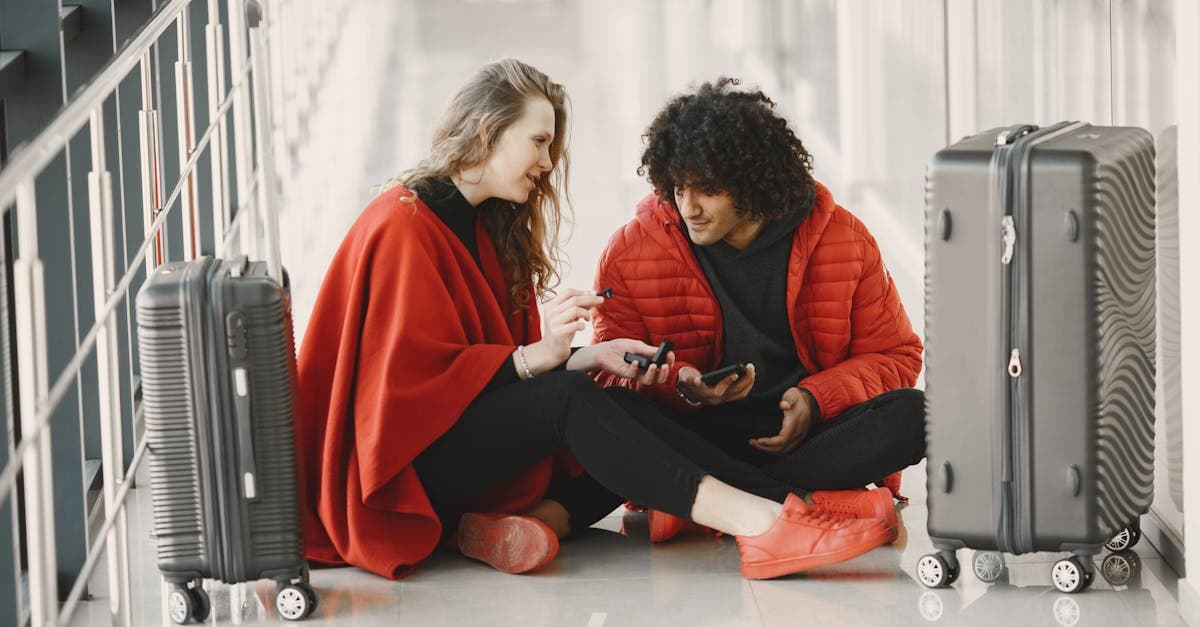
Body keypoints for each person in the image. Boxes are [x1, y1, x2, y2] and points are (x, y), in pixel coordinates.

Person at [295, 59, 893, 583]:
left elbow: (486, 379)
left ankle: (528, 526)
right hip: (395, 476)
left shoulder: (482, 227)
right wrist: (543, 357)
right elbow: (402, 399)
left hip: (451, 452)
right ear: (488, 132)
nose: (548, 162)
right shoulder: (401, 224)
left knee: (604, 406)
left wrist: (585, 355)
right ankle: (768, 521)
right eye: (538, 141)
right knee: (575, 404)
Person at [592, 77, 926, 543]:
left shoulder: (842, 238)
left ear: (753, 182)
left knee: (914, 414)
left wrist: (815, 400)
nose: (689, 207)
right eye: (676, 187)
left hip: (808, 437)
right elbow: (607, 371)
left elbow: (898, 357)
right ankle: (804, 504)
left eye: (706, 189)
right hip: (697, 433)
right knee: (600, 409)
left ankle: (713, 504)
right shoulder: (631, 249)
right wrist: (682, 384)